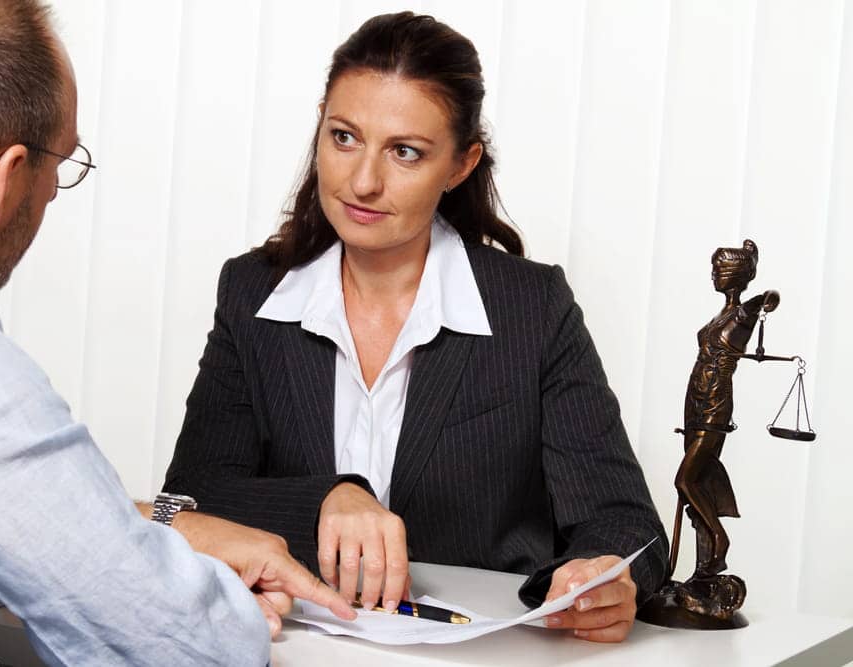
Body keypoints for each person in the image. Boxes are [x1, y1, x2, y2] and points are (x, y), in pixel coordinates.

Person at [0, 1, 352, 665]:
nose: (55, 189)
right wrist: (203, 594)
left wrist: (160, 525)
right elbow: (184, 641)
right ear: (1, 179)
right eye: (59, 161)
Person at [164, 11, 669, 643]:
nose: (364, 181)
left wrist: (600, 576)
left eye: (405, 152)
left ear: (460, 165)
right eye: (344, 137)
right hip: (301, 644)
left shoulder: (531, 308)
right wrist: (327, 498)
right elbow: (187, 499)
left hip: (485, 653)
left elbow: (625, 521)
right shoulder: (253, 292)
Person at [673, 240, 778, 580]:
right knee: (697, 486)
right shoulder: (722, 314)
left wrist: (768, 299)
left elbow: (766, 299)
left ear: (735, 276)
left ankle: (720, 538)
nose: (714, 276)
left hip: (715, 404)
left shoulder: (743, 313)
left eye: (719, 270)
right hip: (695, 402)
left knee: (685, 480)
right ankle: (704, 570)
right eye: (714, 270)